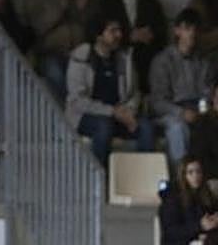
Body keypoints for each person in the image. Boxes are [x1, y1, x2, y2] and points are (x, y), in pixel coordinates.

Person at [66, 14, 154, 165]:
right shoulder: (82, 57)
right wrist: (113, 111)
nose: (119, 35)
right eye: (113, 31)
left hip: (119, 115)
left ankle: (145, 178)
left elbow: (135, 93)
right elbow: (77, 101)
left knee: (146, 127)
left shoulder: (124, 58)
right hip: (86, 115)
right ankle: (100, 180)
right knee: (104, 126)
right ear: (99, 35)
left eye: (119, 30)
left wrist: (129, 112)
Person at [22, 0, 96, 102]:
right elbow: (38, 27)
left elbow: (93, 27)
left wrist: (82, 7)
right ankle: (64, 120)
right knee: (56, 75)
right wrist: (63, 3)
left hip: (79, 53)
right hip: (50, 52)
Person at [149, 8, 216, 168]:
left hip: (197, 110)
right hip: (171, 111)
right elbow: (158, 101)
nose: (192, 33)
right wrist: (181, 113)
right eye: (187, 29)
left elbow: (207, 93)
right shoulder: (163, 61)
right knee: (178, 128)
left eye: (195, 29)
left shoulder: (203, 61)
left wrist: (202, 110)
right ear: (177, 30)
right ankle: (182, 176)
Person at [97, 0, 166, 96]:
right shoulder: (106, 4)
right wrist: (129, 36)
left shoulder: (152, 4)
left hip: (146, 61)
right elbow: (99, 34)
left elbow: (162, 34)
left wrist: (149, 36)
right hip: (116, 60)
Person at [159, 156, 218, 245]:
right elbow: (171, 231)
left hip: (202, 244)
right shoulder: (172, 198)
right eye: (190, 172)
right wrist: (200, 226)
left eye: (198, 172)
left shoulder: (206, 195)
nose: (196, 176)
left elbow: (210, 218)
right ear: (183, 175)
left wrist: (215, 221)